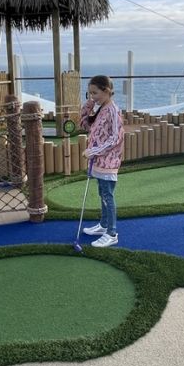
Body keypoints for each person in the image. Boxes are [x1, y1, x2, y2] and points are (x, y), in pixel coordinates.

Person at [79, 75, 125, 248]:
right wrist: (89, 104)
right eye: (89, 93)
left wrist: (93, 151)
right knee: (103, 194)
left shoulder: (113, 110)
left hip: (109, 161)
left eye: (95, 93)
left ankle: (112, 233)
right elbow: (85, 125)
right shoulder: (100, 108)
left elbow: (116, 138)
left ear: (106, 91)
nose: (92, 96)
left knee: (108, 196)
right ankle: (104, 225)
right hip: (99, 161)